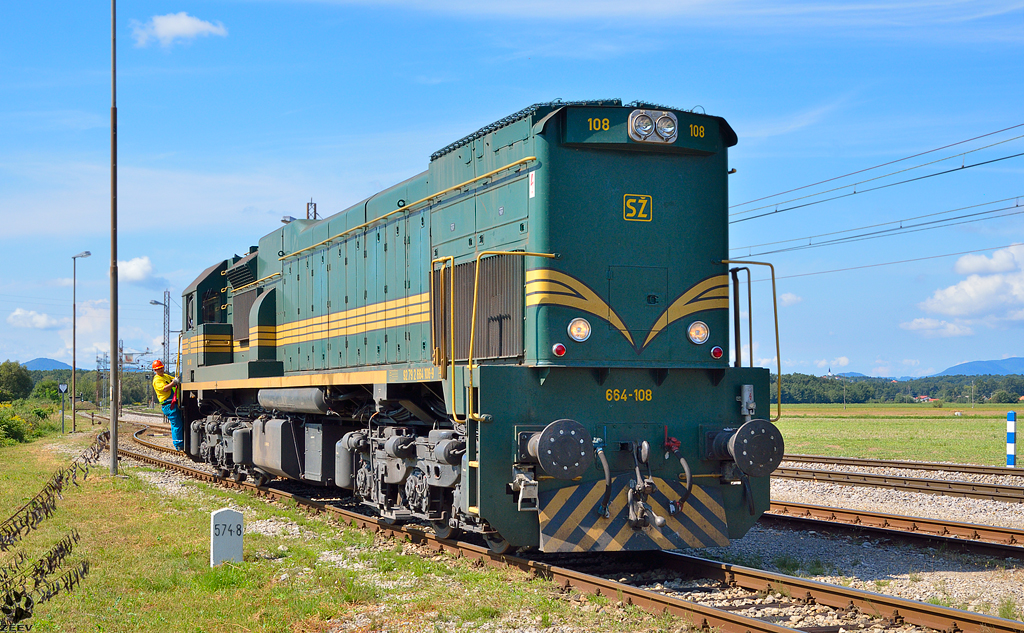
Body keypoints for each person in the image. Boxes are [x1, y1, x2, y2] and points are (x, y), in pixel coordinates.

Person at [152, 360, 184, 451]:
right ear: (155, 370)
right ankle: (178, 445)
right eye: (158, 369)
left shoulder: (165, 376)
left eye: (161, 368)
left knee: (180, 423)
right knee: (177, 424)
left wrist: (177, 379)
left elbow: (174, 379)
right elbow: (165, 388)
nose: (161, 370)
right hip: (168, 405)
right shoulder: (157, 380)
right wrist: (174, 382)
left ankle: (181, 443)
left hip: (174, 403)